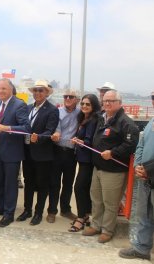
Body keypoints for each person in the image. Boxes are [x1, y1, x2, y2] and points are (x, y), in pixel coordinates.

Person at [82, 90, 139, 243]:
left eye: (111, 101)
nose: (107, 103)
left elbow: (131, 144)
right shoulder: (103, 118)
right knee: (97, 199)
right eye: (105, 100)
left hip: (114, 171)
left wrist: (113, 153)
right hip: (98, 168)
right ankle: (96, 225)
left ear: (119, 103)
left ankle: (107, 230)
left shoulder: (126, 123)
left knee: (110, 203)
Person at [0, 78, 29, 227]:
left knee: (10, 184)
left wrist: (8, 128)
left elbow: (26, 128)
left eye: (3, 89)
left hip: (12, 152)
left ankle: (9, 214)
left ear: (11, 89)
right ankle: (1, 207)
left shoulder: (19, 105)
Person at [16, 80, 59, 226]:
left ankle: (38, 212)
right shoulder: (28, 108)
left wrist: (39, 137)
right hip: (27, 151)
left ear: (46, 93)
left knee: (42, 184)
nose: (38, 93)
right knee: (28, 182)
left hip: (42, 153)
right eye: (35, 90)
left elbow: (50, 130)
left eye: (41, 90)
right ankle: (27, 210)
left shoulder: (52, 110)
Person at [118, 91, 154, 260]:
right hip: (145, 177)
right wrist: (138, 165)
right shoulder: (152, 121)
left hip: (150, 173)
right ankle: (141, 247)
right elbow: (141, 144)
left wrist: (148, 169)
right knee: (143, 214)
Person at [69, 94, 101, 232]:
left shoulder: (94, 120)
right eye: (82, 104)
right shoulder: (83, 118)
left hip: (88, 160)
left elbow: (91, 140)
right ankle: (86, 215)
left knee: (79, 187)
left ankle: (81, 217)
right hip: (82, 159)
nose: (84, 106)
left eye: (88, 104)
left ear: (93, 106)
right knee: (85, 188)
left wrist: (81, 142)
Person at [48, 89, 80, 223]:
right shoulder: (57, 111)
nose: (67, 98)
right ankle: (52, 211)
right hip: (57, 150)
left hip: (71, 154)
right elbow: (56, 127)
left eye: (71, 97)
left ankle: (65, 209)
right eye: (65, 96)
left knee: (68, 183)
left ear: (77, 99)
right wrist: (56, 133)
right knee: (54, 183)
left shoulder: (81, 113)